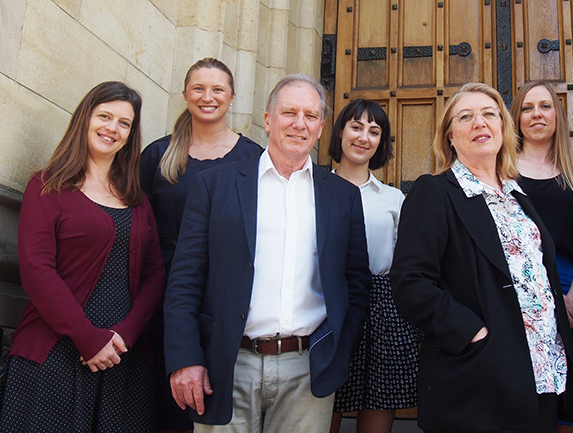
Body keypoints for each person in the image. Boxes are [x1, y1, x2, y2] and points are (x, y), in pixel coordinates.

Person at [162, 74, 371, 433]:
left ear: (321, 128)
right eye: (289, 112)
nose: (299, 124)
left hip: (307, 370)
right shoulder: (215, 185)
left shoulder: (343, 196)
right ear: (268, 119)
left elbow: (356, 281)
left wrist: (338, 347)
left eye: (310, 116)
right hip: (226, 363)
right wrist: (185, 357)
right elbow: (185, 279)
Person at [391, 82, 573, 433]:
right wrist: (474, 334)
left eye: (489, 114)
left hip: (542, 374)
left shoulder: (518, 197)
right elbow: (411, 284)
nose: (479, 123)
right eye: (465, 117)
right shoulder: (434, 192)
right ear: (450, 136)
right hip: (478, 379)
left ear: (503, 128)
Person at [0, 81, 165, 432]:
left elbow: (154, 274)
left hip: (124, 359)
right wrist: (88, 338)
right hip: (55, 354)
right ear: (85, 119)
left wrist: (125, 334)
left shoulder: (138, 200)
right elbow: (36, 270)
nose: (112, 128)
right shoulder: (48, 186)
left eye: (124, 123)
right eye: (105, 116)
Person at [140, 57, 263, 433]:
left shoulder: (254, 158)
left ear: (232, 97)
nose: (207, 97)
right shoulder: (157, 155)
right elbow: (139, 228)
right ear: (185, 95)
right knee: (167, 397)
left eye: (217, 90)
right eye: (199, 88)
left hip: (227, 291)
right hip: (164, 292)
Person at [510, 81, 573, 433]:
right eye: (528, 108)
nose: (536, 115)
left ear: (557, 116)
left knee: (566, 401)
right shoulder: (503, 173)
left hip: (567, 300)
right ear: (516, 118)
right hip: (513, 299)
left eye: (545, 107)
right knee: (522, 399)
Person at [327, 99, 420, 433]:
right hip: (327, 306)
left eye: (374, 130)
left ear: (381, 142)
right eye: (356, 126)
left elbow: (407, 263)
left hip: (383, 307)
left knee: (379, 402)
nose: (363, 137)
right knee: (325, 402)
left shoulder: (393, 199)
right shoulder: (314, 189)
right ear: (339, 132)